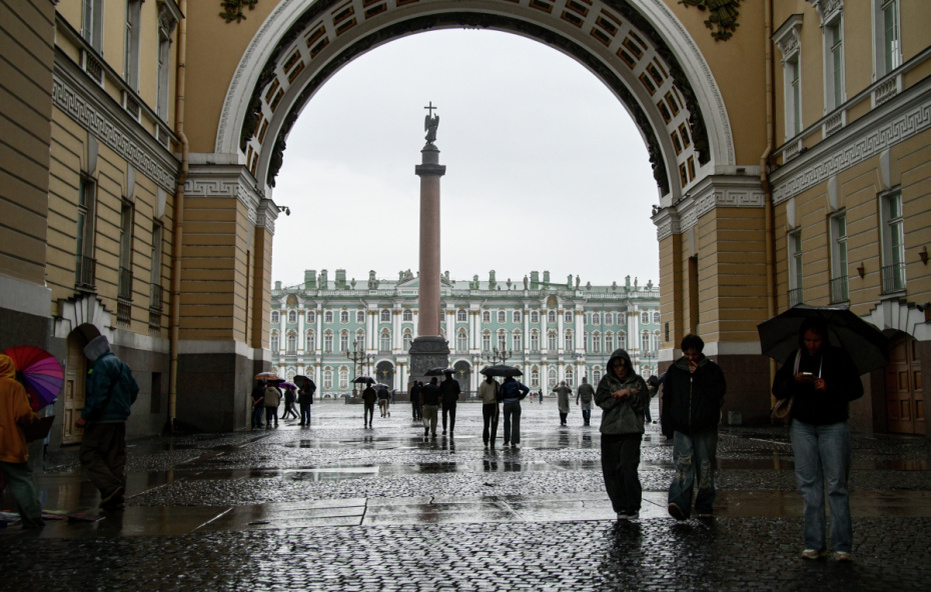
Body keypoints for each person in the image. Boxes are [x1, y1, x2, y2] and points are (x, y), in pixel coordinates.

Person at [772, 318, 862, 562]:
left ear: (824, 339)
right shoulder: (796, 357)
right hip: (802, 426)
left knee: (836, 486)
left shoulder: (838, 357)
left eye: (816, 340)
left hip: (833, 425)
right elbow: (778, 388)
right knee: (809, 485)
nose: (812, 345)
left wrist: (828, 387)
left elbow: (856, 389)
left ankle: (842, 547)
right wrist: (794, 381)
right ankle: (814, 544)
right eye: (808, 340)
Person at [661, 334, 726, 520]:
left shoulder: (711, 369)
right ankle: (679, 503)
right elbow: (669, 398)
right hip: (682, 427)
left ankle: (705, 504)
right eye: (688, 354)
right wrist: (668, 425)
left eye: (694, 354)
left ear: (700, 352)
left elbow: (718, 392)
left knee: (705, 466)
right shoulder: (675, 370)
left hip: (705, 426)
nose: (691, 358)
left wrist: (700, 375)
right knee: (682, 466)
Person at [76, 335, 139, 510]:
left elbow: (98, 395)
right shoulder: (122, 365)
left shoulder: (101, 366)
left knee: (89, 453)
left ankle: (110, 488)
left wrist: (86, 416)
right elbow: (134, 389)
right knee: (115, 456)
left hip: (101, 420)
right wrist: (122, 407)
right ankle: (116, 496)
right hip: (119, 419)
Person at [596, 349, 648, 521]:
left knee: (627, 468)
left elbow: (642, 404)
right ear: (612, 366)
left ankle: (632, 506)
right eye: (617, 366)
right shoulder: (606, 381)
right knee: (611, 471)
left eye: (623, 366)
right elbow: (601, 400)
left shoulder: (638, 381)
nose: (620, 369)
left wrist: (628, 393)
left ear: (628, 365)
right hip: (610, 431)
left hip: (631, 431)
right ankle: (620, 507)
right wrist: (617, 397)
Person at [0, 353, 45, 528]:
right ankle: (33, 518)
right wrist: (34, 418)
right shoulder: (14, 387)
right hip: (8, 441)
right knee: (21, 480)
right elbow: (22, 415)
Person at [500, 376, 530, 448]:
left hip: (507, 404)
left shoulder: (504, 385)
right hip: (516, 403)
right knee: (516, 422)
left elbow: (500, 395)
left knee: (506, 421)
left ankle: (506, 440)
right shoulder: (517, 383)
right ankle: (514, 441)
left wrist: (503, 399)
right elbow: (526, 389)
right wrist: (521, 397)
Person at [478, 375, 500, 447]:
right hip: (494, 405)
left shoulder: (483, 384)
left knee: (486, 424)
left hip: (486, 405)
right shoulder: (496, 384)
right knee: (494, 424)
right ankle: (492, 440)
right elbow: (500, 394)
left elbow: (480, 395)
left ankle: (485, 440)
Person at [439, 371, 460, 435]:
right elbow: (458, 391)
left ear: (446, 375)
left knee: (444, 416)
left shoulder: (443, 383)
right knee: (452, 416)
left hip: (445, 401)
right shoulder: (455, 382)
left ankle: (444, 428)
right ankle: (451, 429)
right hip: (453, 401)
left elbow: (440, 392)